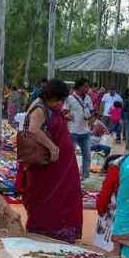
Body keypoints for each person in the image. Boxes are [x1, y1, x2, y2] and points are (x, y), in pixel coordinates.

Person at [15, 79, 83, 243]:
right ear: (50, 96)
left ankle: (62, 230)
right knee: (44, 197)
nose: (60, 103)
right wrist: (53, 147)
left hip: (60, 166)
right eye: (58, 100)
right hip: (45, 165)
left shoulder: (51, 107)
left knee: (65, 196)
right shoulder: (39, 108)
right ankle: (42, 229)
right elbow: (33, 129)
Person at [65, 78, 92, 178]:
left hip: (85, 131)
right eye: (85, 86)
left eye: (88, 86)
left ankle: (86, 177)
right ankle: (69, 175)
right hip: (73, 131)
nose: (87, 88)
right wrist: (67, 116)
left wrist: (91, 117)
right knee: (70, 156)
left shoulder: (88, 98)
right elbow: (64, 112)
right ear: (79, 87)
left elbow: (92, 111)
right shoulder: (70, 98)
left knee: (87, 156)